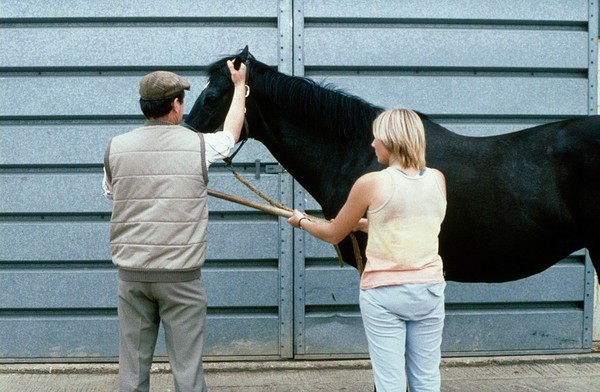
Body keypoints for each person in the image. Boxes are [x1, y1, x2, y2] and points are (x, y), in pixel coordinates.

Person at [102, 61, 246, 391]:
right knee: (187, 370)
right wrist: (239, 88)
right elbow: (231, 135)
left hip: (132, 275)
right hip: (181, 277)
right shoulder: (197, 144)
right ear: (176, 105)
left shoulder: (115, 147)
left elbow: (112, 192)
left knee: (132, 369)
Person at [288, 108, 447, 392]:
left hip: (385, 293)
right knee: (426, 380)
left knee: (390, 383)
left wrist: (302, 221)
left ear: (392, 140)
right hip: (429, 291)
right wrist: (367, 225)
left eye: (377, 138)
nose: (372, 144)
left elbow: (334, 232)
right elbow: (417, 225)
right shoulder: (437, 179)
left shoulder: (371, 183)